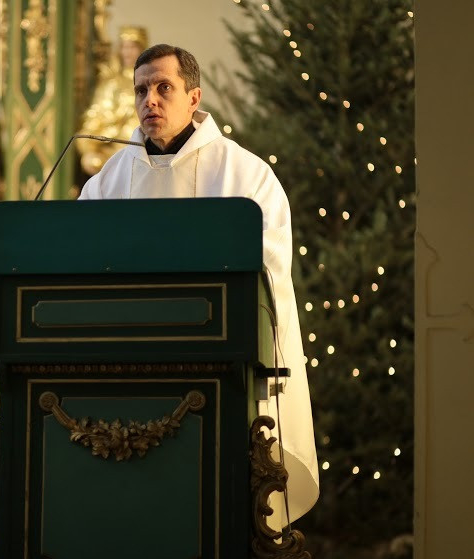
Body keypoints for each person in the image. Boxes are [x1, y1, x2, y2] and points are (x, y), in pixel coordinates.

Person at [78, 44, 320, 527]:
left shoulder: (245, 174)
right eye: (141, 90)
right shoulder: (108, 180)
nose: (150, 100)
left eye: (163, 87)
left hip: (216, 367)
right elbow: (78, 255)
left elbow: (269, 262)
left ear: (194, 96)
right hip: (125, 369)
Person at [76, 26, 148, 175]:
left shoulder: (150, 82)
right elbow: (97, 115)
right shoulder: (112, 83)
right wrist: (90, 142)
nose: (128, 52)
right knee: (93, 161)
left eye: (132, 47)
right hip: (114, 143)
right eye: (124, 47)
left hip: (143, 143)